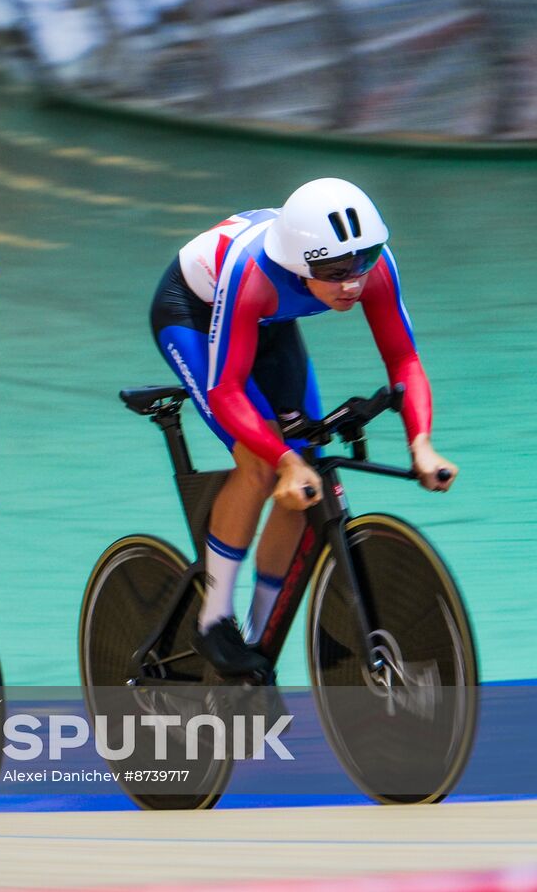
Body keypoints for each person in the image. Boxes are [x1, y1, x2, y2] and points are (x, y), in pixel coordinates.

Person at [150, 177, 458, 677]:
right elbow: (226, 389)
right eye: (334, 272)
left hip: (268, 323)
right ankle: (212, 620)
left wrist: (420, 442)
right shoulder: (255, 273)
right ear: (299, 265)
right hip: (192, 312)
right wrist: (283, 460)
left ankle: (259, 641)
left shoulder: (364, 265)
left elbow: (403, 359)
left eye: (364, 261)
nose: (353, 283)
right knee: (263, 466)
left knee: (308, 478)